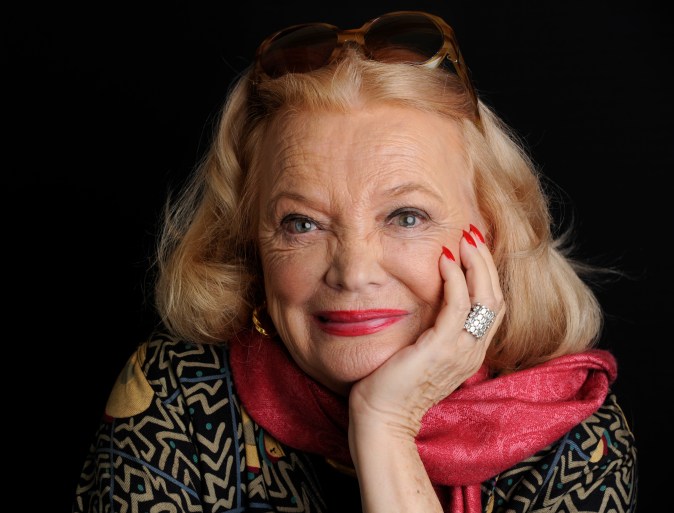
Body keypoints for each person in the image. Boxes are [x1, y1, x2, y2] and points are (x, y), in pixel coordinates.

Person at [72, 10, 637, 513]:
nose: (353, 271)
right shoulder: (176, 401)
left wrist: (384, 426)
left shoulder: (577, 439)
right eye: (302, 224)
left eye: (406, 217)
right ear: (251, 241)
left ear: (490, 231)